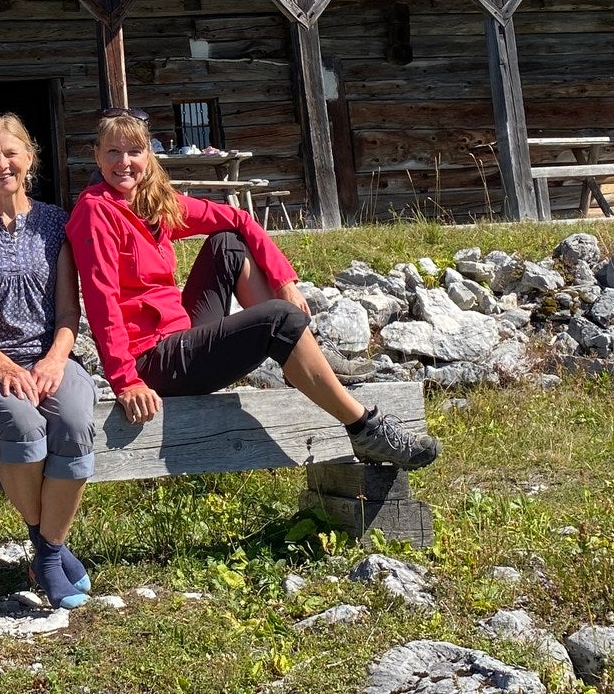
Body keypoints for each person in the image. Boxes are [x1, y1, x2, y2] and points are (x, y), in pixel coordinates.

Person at [65, 108, 436, 469]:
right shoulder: (96, 211)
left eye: (134, 151)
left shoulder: (152, 203)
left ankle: (301, 352)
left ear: (149, 155)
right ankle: (365, 429)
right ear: (97, 156)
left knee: (227, 244)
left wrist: (284, 282)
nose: (124, 162)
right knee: (279, 319)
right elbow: (101, 302)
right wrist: (126, 382)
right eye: (113, 152)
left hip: (178, 338)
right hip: (152, 361)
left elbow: (238, 219)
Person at [0, 114, 97, 610]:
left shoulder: (55, 222)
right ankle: (48, 549)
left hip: (48, 356)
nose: (2, 164)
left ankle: (47, 551)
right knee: (25, 425)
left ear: (30, 158)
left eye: (11, 153)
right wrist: (4, 367)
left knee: (74, 422)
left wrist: (54, 360)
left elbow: (68, 312)